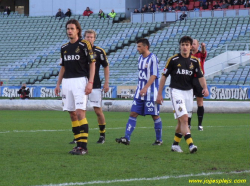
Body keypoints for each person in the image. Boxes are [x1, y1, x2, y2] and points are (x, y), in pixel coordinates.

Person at [156, 36, 209, 153]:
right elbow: (163, 77)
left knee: (182, 121)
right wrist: (159, 94)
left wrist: (205, 88)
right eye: (183, 44)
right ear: (180, 46)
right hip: (176, 92)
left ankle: (175, 145)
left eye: (187, 45)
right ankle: (191, 145)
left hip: (189, 93)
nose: (184, 47)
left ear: (191, 47)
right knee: (185, 119)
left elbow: (200, 76)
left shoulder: (195, 61)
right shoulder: (173, 60)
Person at [55, 19, 96, 155]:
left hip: (80, 82)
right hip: (67, 82)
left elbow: (92, 64)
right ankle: (78, 145)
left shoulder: (85, 45)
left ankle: (83, 147)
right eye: (68, 29)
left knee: (80, 113)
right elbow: (63, 67)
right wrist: (58, 84)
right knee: (72, 114)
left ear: (78, 30)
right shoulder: (64, 48)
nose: (69, 31)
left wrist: (90, 82)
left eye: (72, 28)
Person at [116, 38, 163, 146]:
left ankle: (159, 140)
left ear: (146, 47)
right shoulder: (140, 58)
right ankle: (127, 138)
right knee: (133, 113)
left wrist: (146, 88)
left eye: (139, 46)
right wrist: (141, 88)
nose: (137, 49)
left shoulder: (153, 58)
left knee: (155, 115)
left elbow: (154, 75)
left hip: (150, 92)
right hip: (139, 92)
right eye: (137, 46)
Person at [70, 29, 109, 144]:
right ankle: (79, 136)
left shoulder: (99, 51)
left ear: (94, 38)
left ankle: (102, 135)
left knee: (98, 111)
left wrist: (106, 82)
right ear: (84, 37)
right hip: (80, 85)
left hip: (95, 85)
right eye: (87, 37)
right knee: (79, 111)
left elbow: (106, 66)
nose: (89, 39)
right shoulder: (79, 50)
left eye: (91, 37)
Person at [190, 39, 207, 131]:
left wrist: (203, 46)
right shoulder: (188, 55)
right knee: (188, 103)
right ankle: (188, 124)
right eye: (191, 44)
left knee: (199, 103)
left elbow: (204, 52)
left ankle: (200, 124)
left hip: (199, 80)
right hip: (189, 79)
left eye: (194, 44)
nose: (192, 45)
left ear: (197, 45)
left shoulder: (201, 54)